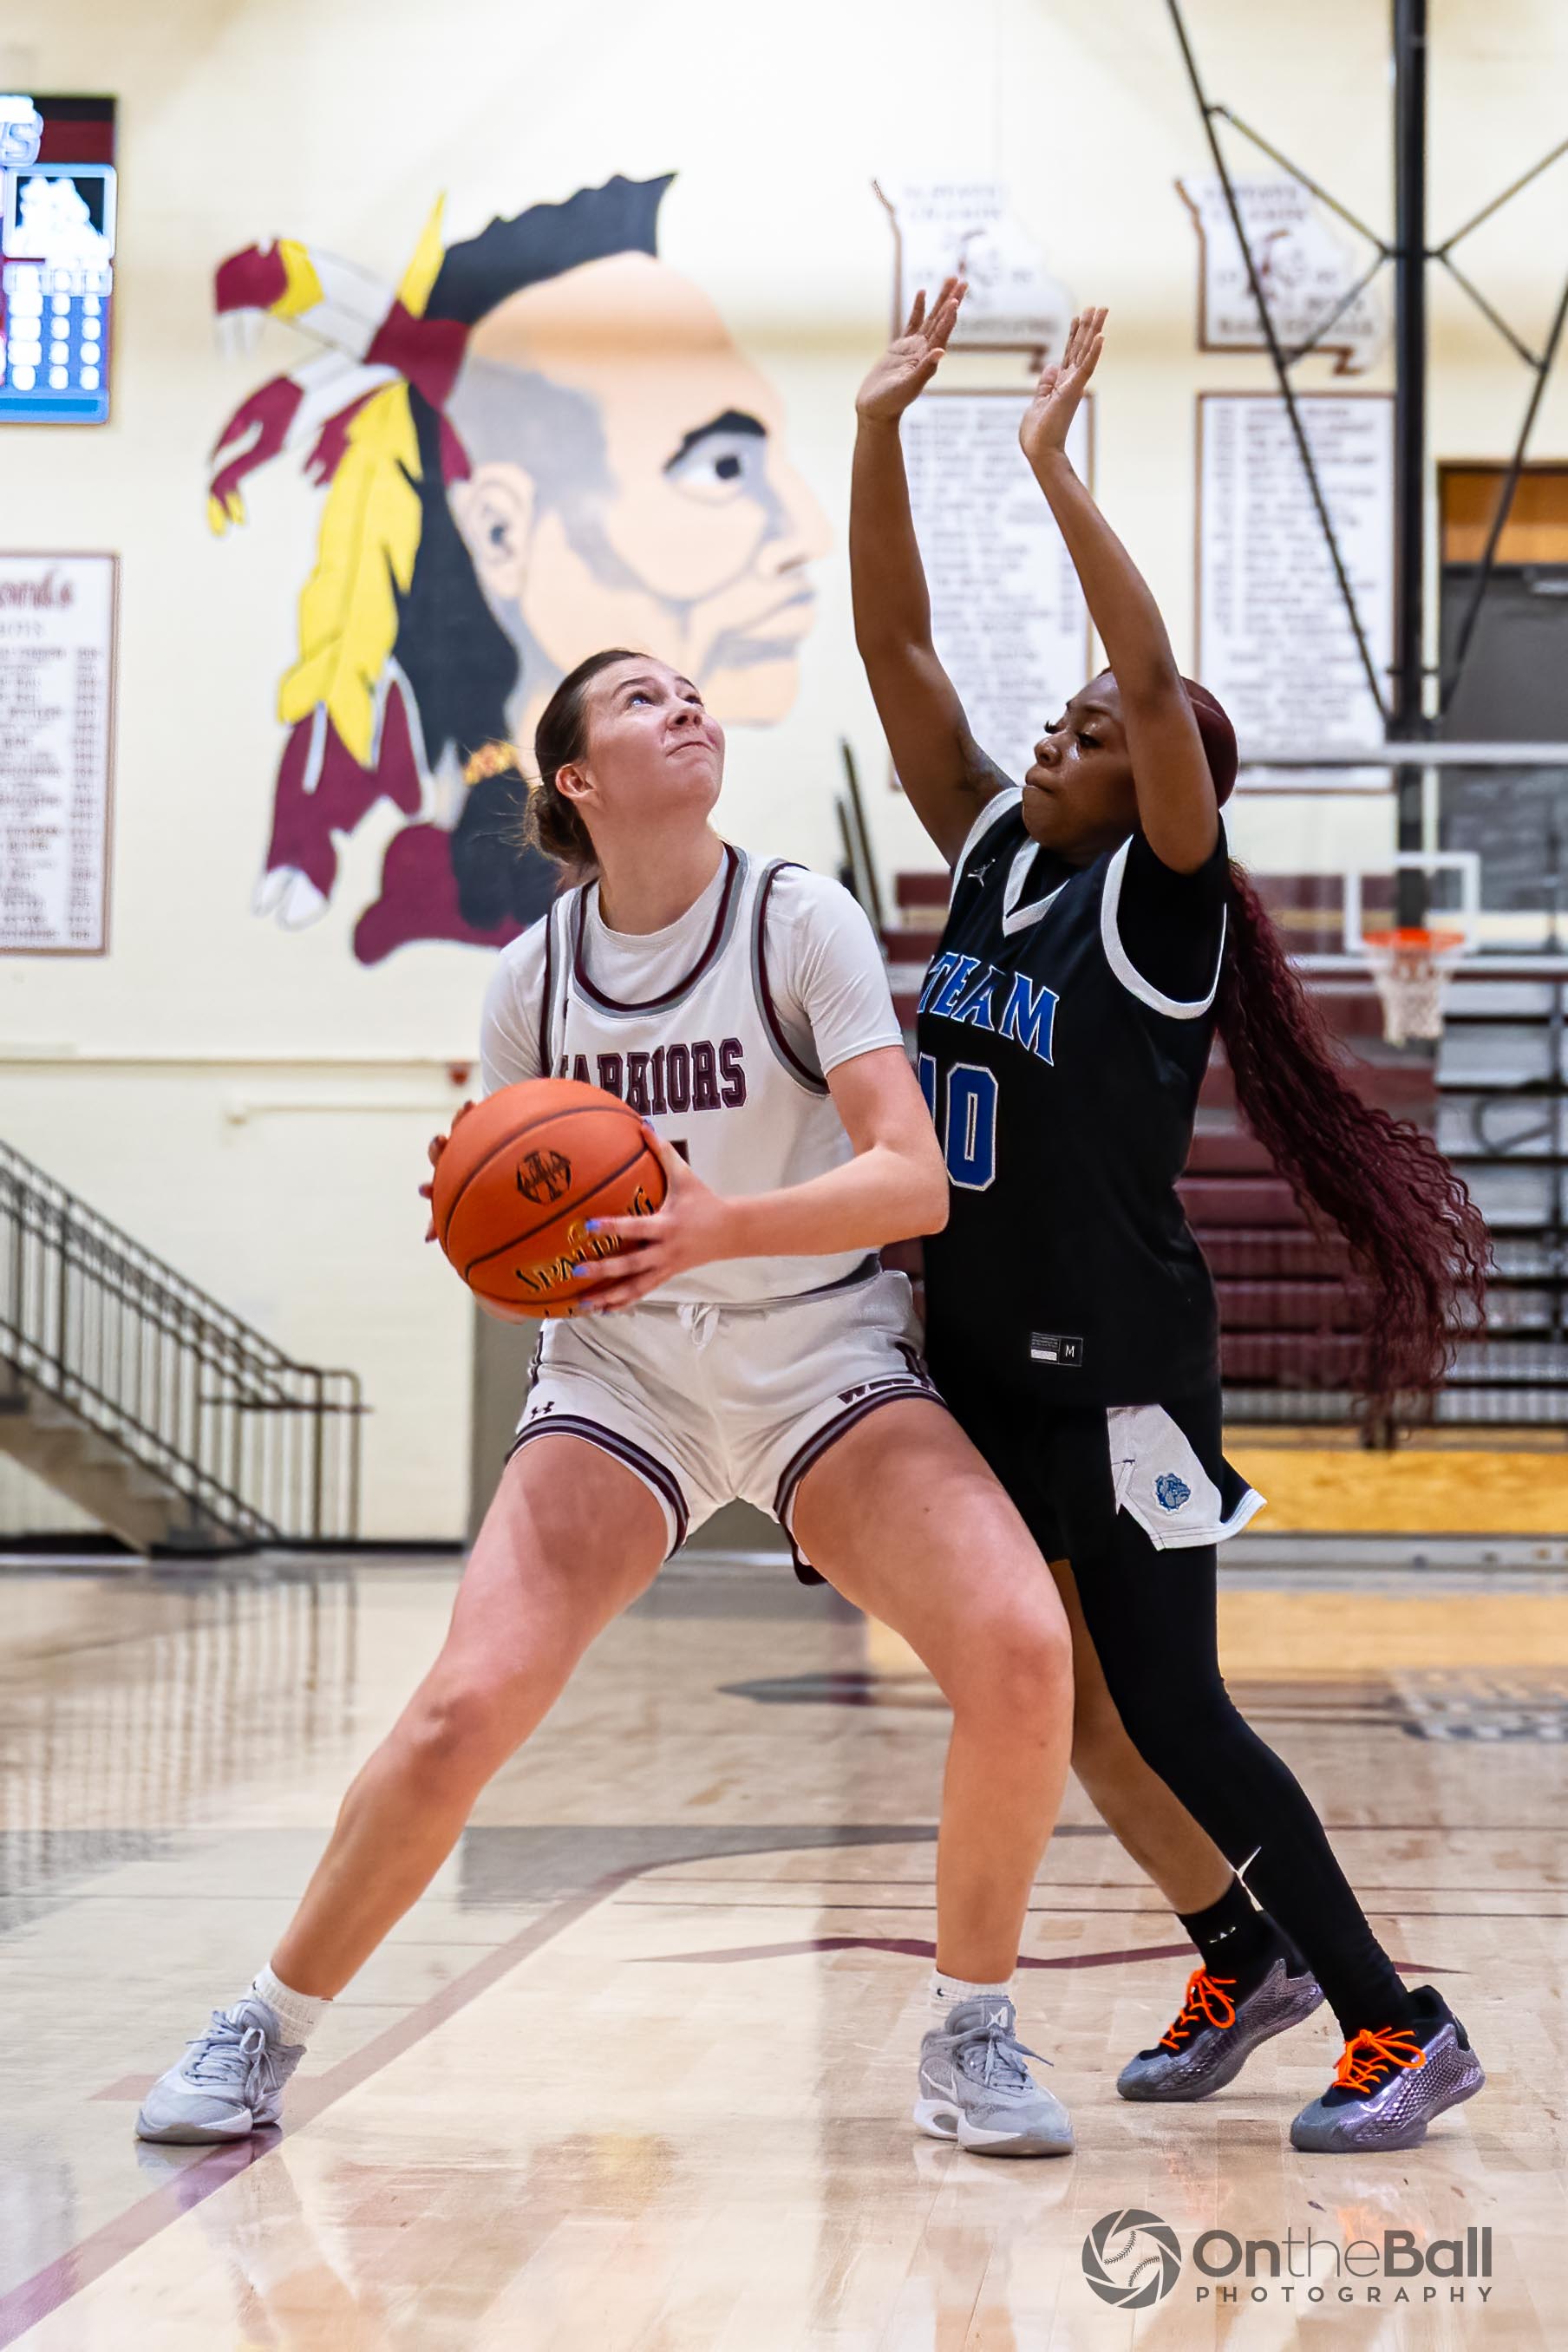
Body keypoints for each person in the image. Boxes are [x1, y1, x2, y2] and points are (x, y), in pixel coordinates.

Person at [138, 648, 1080, 2159]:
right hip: (623, 1377)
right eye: (642, 698)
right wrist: (493, 1235)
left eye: (690, 689)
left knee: (1022, 1650)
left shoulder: (796, 918)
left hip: (815, 1358)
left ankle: (970, 2031)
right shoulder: (533, 977)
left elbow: (914, 1180)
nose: (685, 704)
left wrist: (723, 1228)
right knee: (463, 1707)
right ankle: (264, 2020)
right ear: (575, 778)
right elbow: (522, 1269)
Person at [850, 284, 1493, 2154]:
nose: (1052, 742)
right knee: (1060, 1713)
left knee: (1179, 1710)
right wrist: (881, 430)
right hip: (982, 1356)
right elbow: (895, 644)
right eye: (1048, 728)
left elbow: (1147, 686)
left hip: (1117, 1367)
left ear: (1153, 784)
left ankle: (1396, 2023)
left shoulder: (1159, 899)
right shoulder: (992, 847)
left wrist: (1052, 470)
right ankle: (1237, 1952)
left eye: (1084, 735)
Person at [211, 173, 827, 960]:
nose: (809, 533)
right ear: (500, 530)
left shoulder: (799, 921)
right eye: (720, 467)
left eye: (684, 697)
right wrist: (275, 279)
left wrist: (283, 293)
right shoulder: (525, 958)